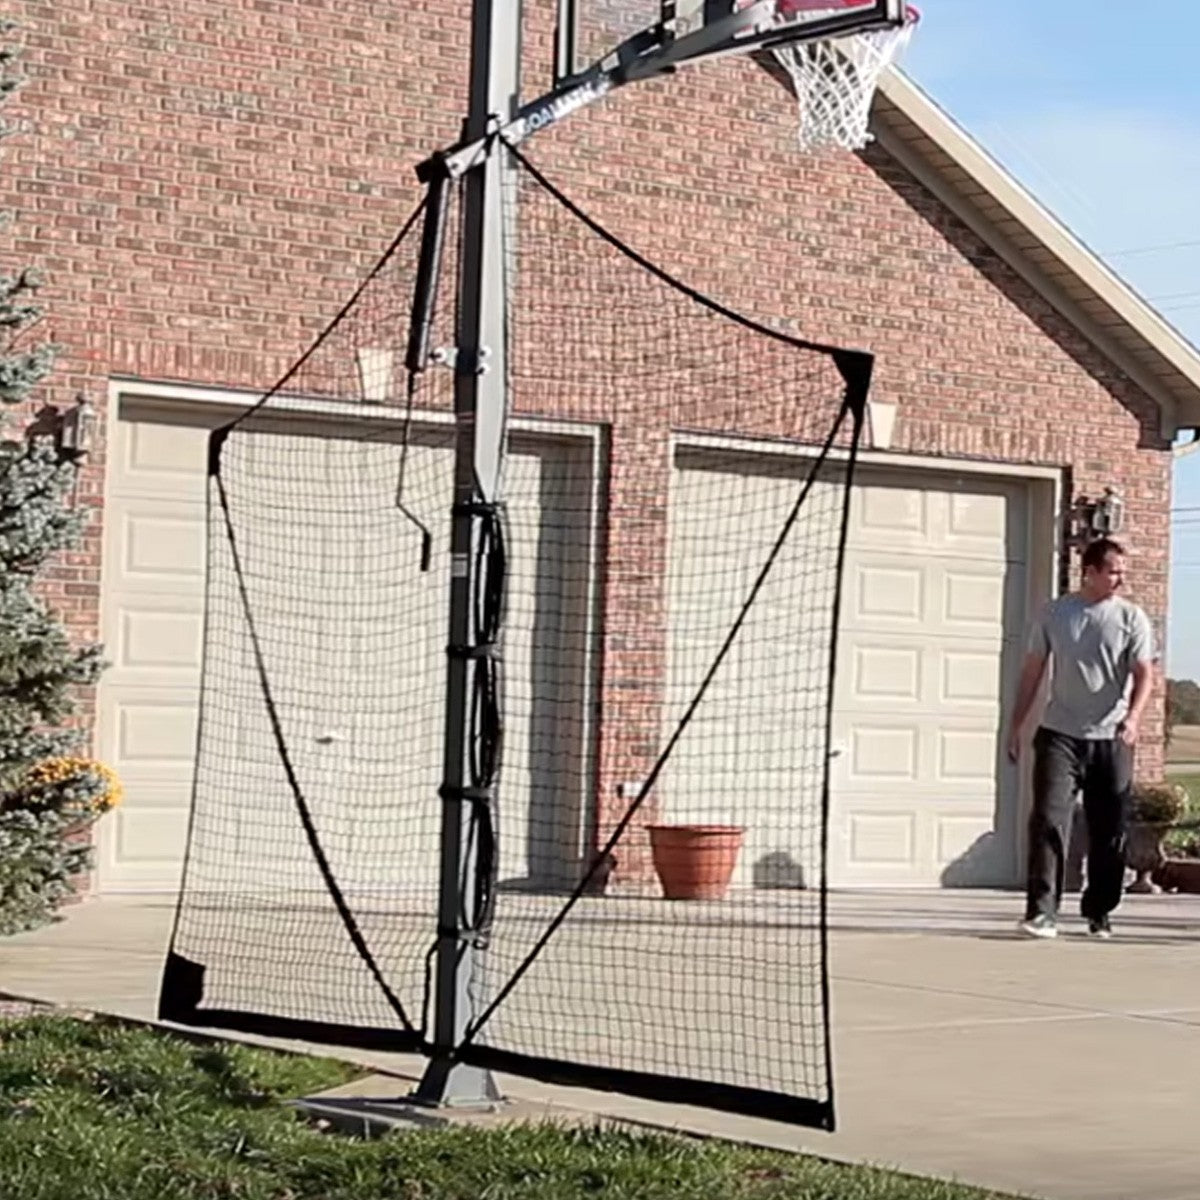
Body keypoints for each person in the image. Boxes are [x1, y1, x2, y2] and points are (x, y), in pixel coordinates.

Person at [1005, 537, 1156, 940]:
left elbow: (1144, 674)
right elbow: (1033, 671)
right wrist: (1017, 724)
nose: (1120, 579)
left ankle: (1099, 910)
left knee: (1109, 829)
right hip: (1060, 734)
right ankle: (1042, 913)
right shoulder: (1056, 613)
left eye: (1123, 571)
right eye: (1113, 571)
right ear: (1088, 571)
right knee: (1049, 820)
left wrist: (1134, 718)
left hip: (1112, 737)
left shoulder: (1131, 618)